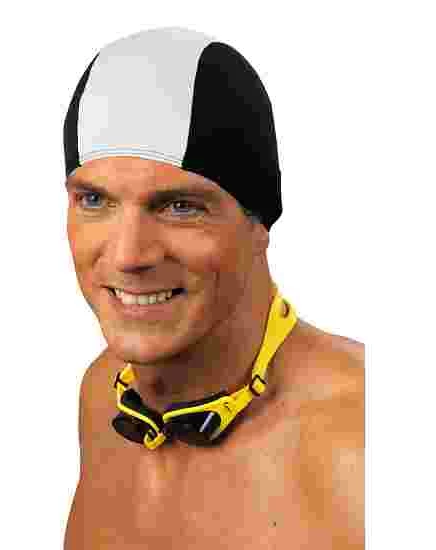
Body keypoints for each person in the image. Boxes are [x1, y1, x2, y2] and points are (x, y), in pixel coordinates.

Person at [62, 26, 364, 549]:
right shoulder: (102, 395)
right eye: (94, 201)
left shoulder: (367, 440)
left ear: (259, 224)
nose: (129, 255)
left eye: (180, 207)